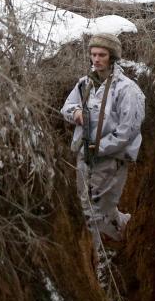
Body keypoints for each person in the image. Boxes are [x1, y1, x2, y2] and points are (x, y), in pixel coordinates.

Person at [61, 33, 145, 251]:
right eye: (93, 54)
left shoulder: (127, 89)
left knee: (98, 211)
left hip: (110, 160)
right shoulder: (84, 84)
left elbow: (127, 131)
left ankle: (104, 257)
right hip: (84, 156)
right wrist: (76, 113)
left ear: (112, 57)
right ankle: (124, 232)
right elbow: (67, 107)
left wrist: (99, 147)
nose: (96, 59)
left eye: (102, 55)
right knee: (86, 205)